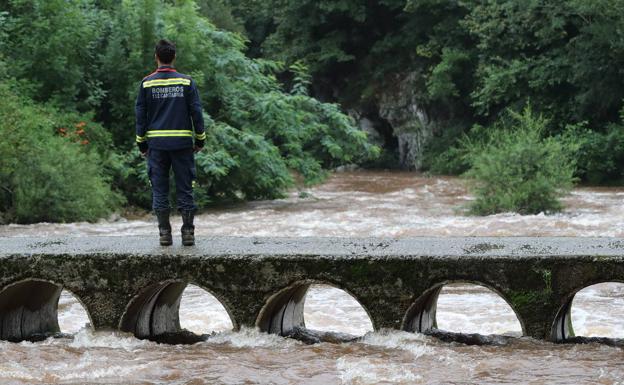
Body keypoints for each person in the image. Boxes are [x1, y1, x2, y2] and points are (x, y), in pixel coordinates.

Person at [135, 39, 206, 246]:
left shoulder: (147, 83)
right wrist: (200, 139)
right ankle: (188, 234)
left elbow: (141, 116)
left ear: (156, 57)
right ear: (173, 57)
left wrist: (142, 144)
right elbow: (197, 113)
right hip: (183, 145)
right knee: (185, 188)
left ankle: (164, 234)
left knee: (159, 189)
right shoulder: (186, 82)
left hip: (156, 146)